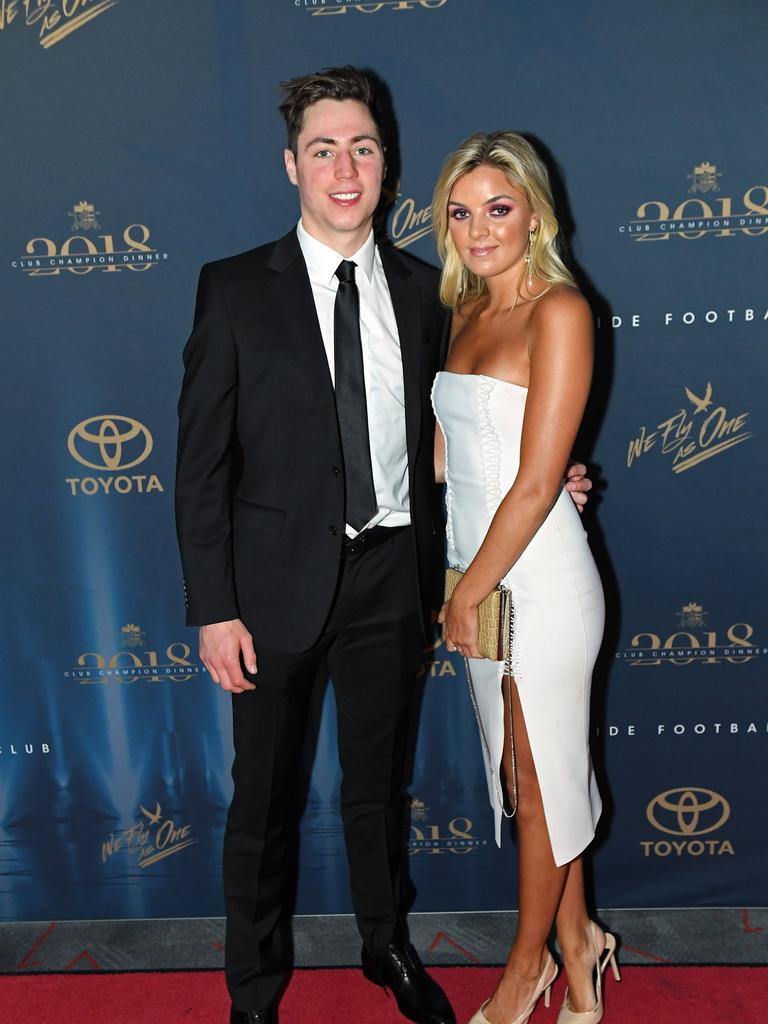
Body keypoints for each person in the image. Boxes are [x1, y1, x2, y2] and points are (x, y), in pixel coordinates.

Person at [176, 68, 591, 1024]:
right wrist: (212, 605)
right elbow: (199, 466)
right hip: (272, 590)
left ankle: (385, 947)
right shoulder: (234, 289)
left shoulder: (430, 292)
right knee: (263, 805)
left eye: (362, 146)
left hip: (393, 579)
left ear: (387, 165)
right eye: (323, 148)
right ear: (293, 167)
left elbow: (471, 432)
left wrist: (551, 472)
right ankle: (253, 993)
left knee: (379, 790)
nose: (345, 166)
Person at [431, 132, 619, 1024]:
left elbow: (540, 481)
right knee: (529, 781)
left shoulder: (560, 310)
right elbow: (448, 464)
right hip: (477, 575)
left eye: (498, 208)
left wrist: (466, 593)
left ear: (536, 211)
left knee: (542, 781)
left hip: (537, 583)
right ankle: (580, 947)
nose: (478, 230)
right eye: (461, 213)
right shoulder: (463, 314)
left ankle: (524, 970)